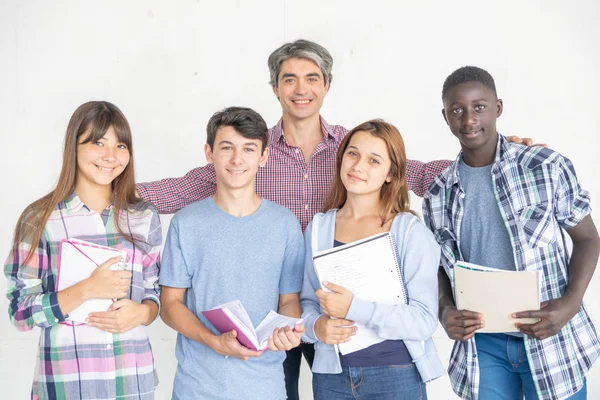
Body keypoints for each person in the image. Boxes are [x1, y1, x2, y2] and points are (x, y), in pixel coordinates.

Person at [423, 66, 600, 400]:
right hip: (482, 344)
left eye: (479, 107)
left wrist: (570, 304)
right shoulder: (438, 192)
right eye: (457, 110)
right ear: (445, 116)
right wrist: (445, 309)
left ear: (498, 108)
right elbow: (438, 266)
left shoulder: (545, 166)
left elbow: (588, 238)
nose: (469, 119)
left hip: (549, 334)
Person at [4, 101, 162, 400]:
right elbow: (20, 313)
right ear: (73, 147)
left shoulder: (144, 216)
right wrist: (87, 289)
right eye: (98, 142)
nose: (111, 156)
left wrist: (143, 312)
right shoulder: (40, 219)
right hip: (67, 386)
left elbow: (156, 291)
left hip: (133, 384)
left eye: (121, 145)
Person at [158, 107, 306, 400]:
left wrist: (287, 329)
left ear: (263, 157)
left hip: (266, 388)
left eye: (249, 149)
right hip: (196, 389)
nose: (237, 160)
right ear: (209, 153)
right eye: (227, 148)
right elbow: (170, 304)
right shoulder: (186, 223)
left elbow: (289, 300)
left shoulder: (285, 224)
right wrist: (212, 341)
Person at [301, 120, 444, 399]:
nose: (358, 166)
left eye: (374, 160)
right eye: (352, 153)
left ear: (391, 174)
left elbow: (424, 320)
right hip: (331, 378)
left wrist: (355, 308)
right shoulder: (318, 228)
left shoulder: (408, 232)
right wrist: (316, 327)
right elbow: (306, 302)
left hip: (396, 374)